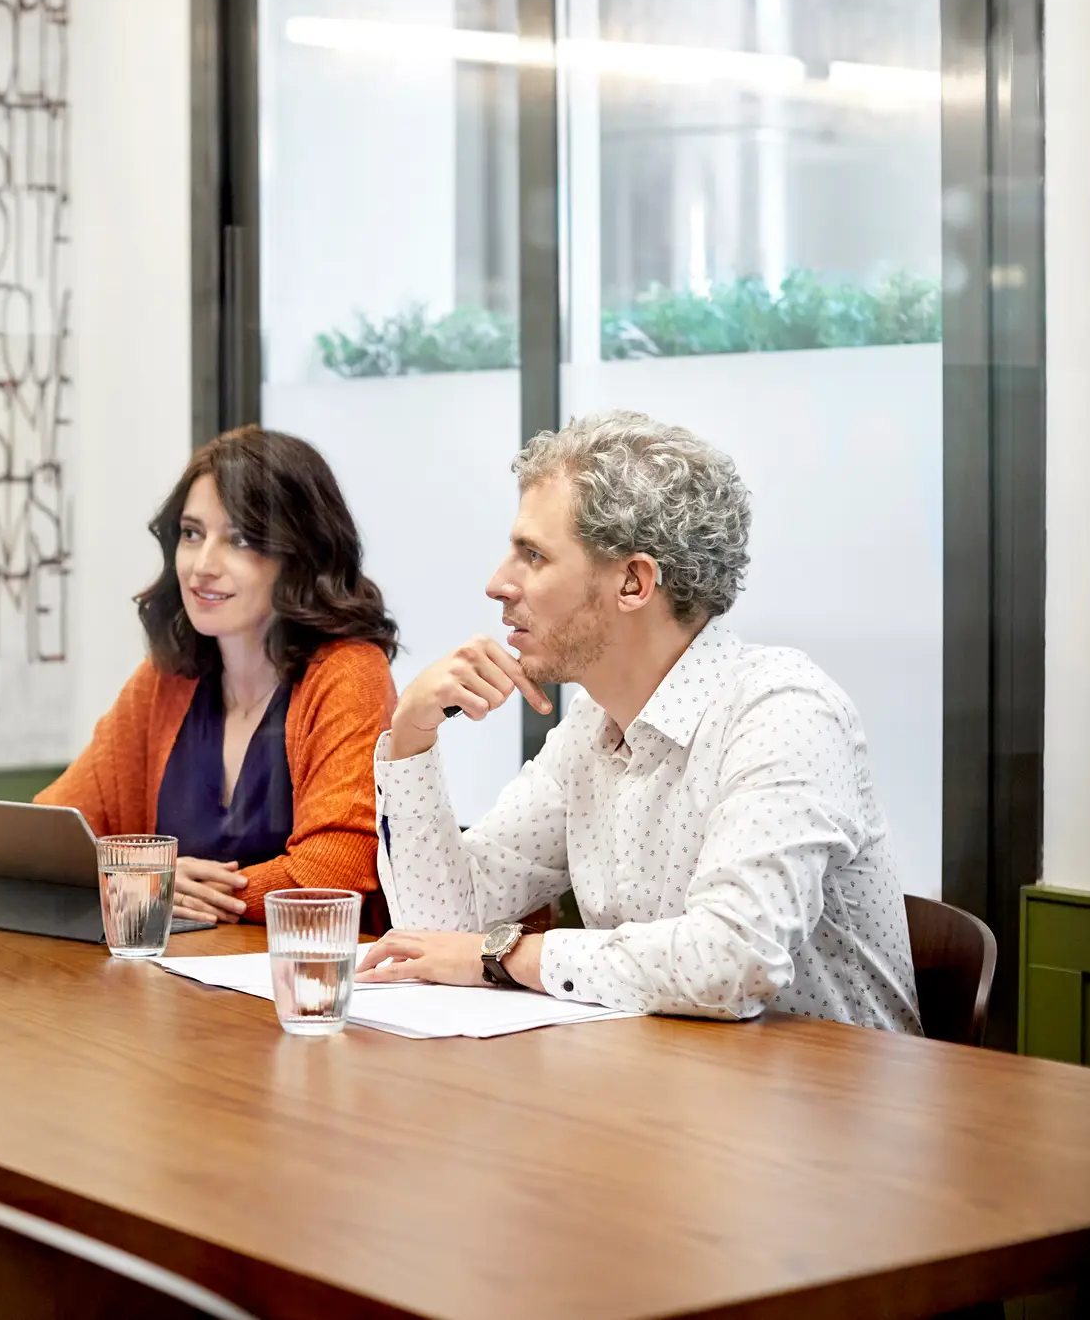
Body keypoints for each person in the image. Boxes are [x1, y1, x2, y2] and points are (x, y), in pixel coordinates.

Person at [358, 411, 920, 1032]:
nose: (497, 584)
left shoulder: (784, 710)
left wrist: (502, 954)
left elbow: (730, 964)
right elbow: (438, 932)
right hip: (668, 1093)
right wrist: (411, 737)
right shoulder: (590, 726)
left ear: (633, 582)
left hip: (830, 1110)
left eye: (533, 555)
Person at [38, 426, 398, 925]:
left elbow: (332, 874)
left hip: (303, 986)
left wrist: (152, 887)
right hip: (172, 985)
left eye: (241, 539)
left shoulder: (349, 672)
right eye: (191, 534)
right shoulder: (167, 678)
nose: (202, 566)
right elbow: (53, 835)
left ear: (300, 554)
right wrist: (143, 877)